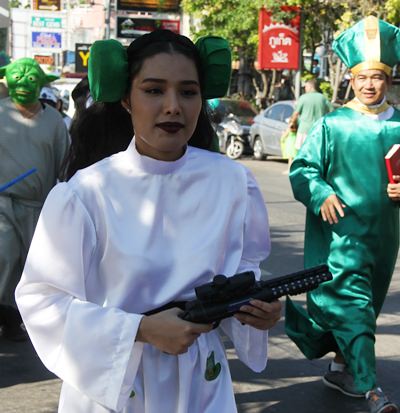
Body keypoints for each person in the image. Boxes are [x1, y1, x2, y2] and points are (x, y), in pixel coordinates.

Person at [15, 30, 282, 413]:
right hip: (118, 381)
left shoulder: (233, 182)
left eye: (188, 92)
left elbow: (244, 267)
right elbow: (41, 299)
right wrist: (140, 329)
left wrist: (257, 310)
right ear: (126, 98)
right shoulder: (85, 193)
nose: (173, 106)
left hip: (200, 379)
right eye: (154, 90)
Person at [285, 16, 400, 413]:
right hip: (342, 239)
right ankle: (372, 392)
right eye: (363, 76)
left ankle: (341, 365)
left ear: (389, 79)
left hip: (384, 238)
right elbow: (303, 169)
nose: (370, 84)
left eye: (378, 77)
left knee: (365, 307)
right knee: (353, 307)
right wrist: (320, 193)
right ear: (350, 78)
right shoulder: (333, 125)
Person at [0, 58, 69, 341]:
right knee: (4, 256)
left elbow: (64, 162)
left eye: (31, 78)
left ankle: (19, 317)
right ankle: (2, 313)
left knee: (32, 264)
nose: (24, 84)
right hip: (3, 203)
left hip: (39, 206)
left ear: (41, 82)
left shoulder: (54, 120)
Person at [292, 77, 332, 150]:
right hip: (318, 130)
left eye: (306, 87)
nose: (305, 89)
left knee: (302, 152)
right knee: (316, 152)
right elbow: (332, 112)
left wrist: (292, 123)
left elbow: (296, 114)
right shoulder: (323, 98)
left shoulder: (303, 98)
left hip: (304, 130)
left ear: (310, 87)